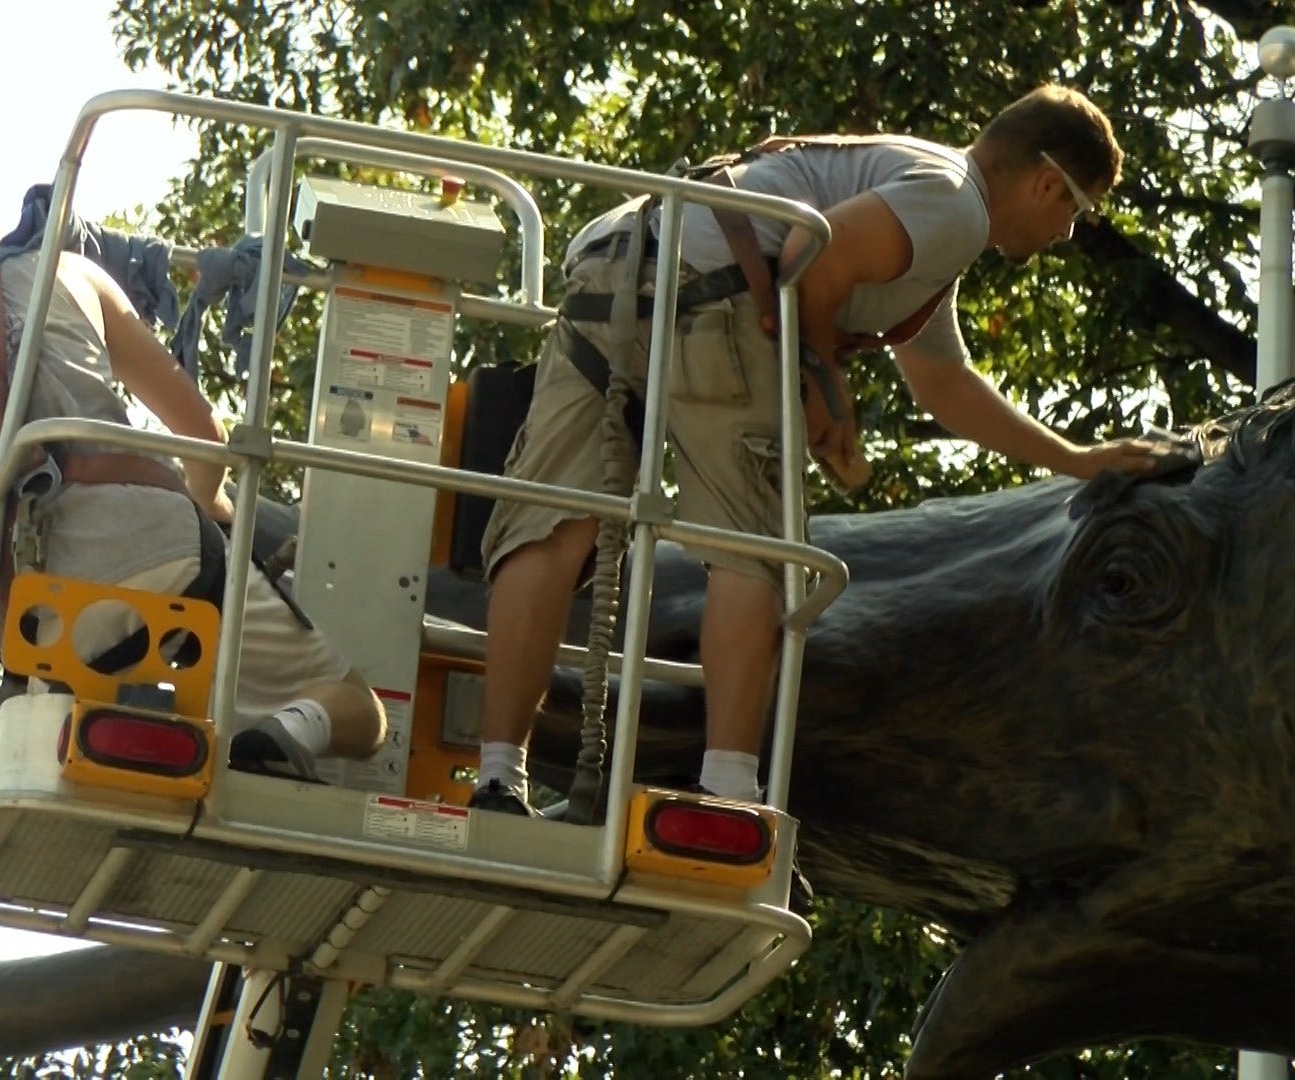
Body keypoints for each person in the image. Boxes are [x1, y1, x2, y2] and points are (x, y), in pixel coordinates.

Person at [471, 84, 1167, 816]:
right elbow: (812, 257)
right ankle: (730, 794)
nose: (1065, 234)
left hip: (613, 263)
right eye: (1075, 212)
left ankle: (496, 777)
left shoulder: (922, 194)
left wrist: (1078, 461)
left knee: (557, 523)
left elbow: (942, 382)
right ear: (1048, 181)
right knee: (752, 550)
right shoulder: (955, 205)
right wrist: (822, 380)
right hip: (709, 291)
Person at [0, 187, 385, 780]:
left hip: (49, 627)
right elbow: (204, 433)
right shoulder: (64, 271)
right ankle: (289, 729)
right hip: (174, 563)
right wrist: (206, 504)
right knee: (361, 712)